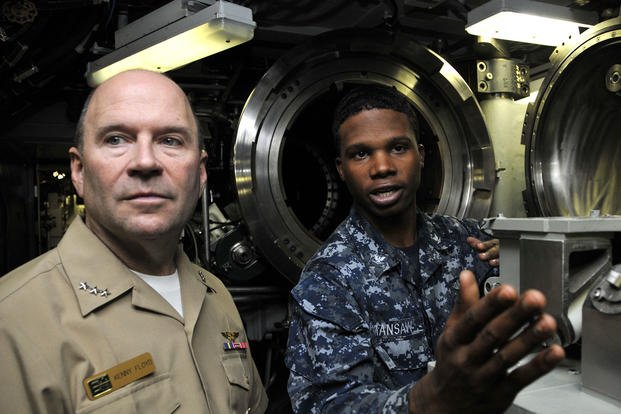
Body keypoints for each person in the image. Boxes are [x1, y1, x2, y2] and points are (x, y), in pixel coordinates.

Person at [285, 84, 564, 413]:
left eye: (398, 147)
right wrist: (425, 400)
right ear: (341, 169)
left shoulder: (467, 242)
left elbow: (539, 325)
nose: (382, 167)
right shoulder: (328, 281)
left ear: (421, 154)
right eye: (361, 153)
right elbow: (325, 404)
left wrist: (523, 266)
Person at [0, 70, 268, 413]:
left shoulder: (215, 295)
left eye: (170, 140)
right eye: (116, 139)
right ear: (79, 171)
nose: (145, 162)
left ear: (199, 174)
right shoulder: (14, 322)